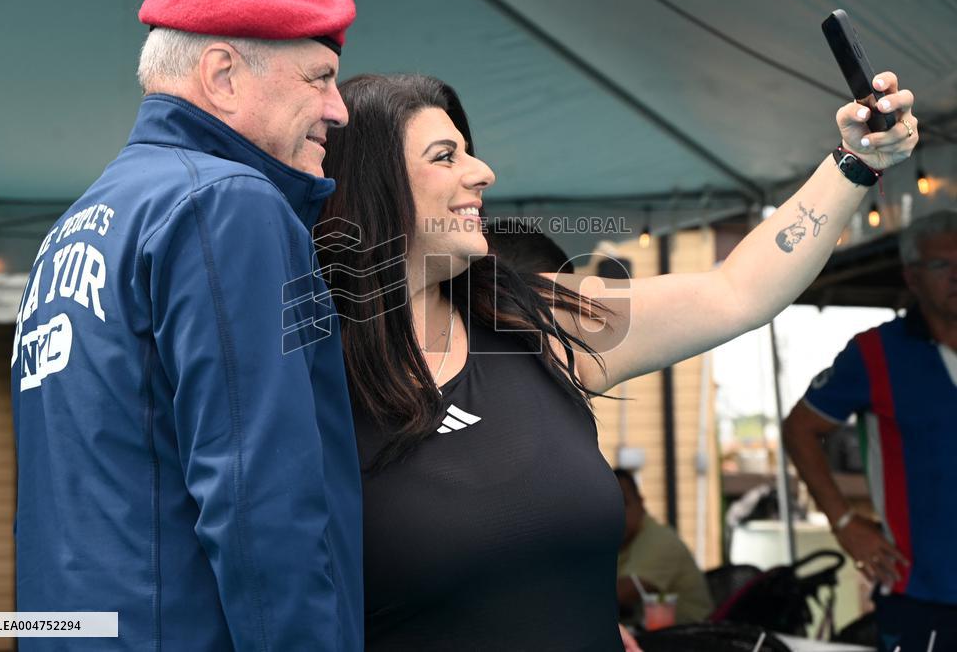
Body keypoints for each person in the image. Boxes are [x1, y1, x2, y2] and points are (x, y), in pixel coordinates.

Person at [315, 70, 917, 651]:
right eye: (446, 157)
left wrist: (855, 161)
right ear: (374, 187)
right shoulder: (304, 374)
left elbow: (736, 292)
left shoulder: (535, 323)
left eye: (467, 152)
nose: (482, 172)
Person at [10, 0, 362, 650]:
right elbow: (261, 497)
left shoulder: (76, 227)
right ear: (223, 75)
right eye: (319, 78)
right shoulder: (228, 204)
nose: (339, 108)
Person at [783, 209, 957, 652]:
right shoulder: (877, 353)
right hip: (920, 594)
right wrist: (843, 522)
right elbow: (799, 429)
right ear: (912, 277)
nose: (956, 275)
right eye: (942, 264)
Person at [614, 469, 713, 627]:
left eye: (624, 503)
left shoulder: (659, 540)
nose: (616, 513)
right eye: (607, 506)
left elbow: (618, 593)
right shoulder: (624, 541)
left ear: (641, 503)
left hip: (693, 635)